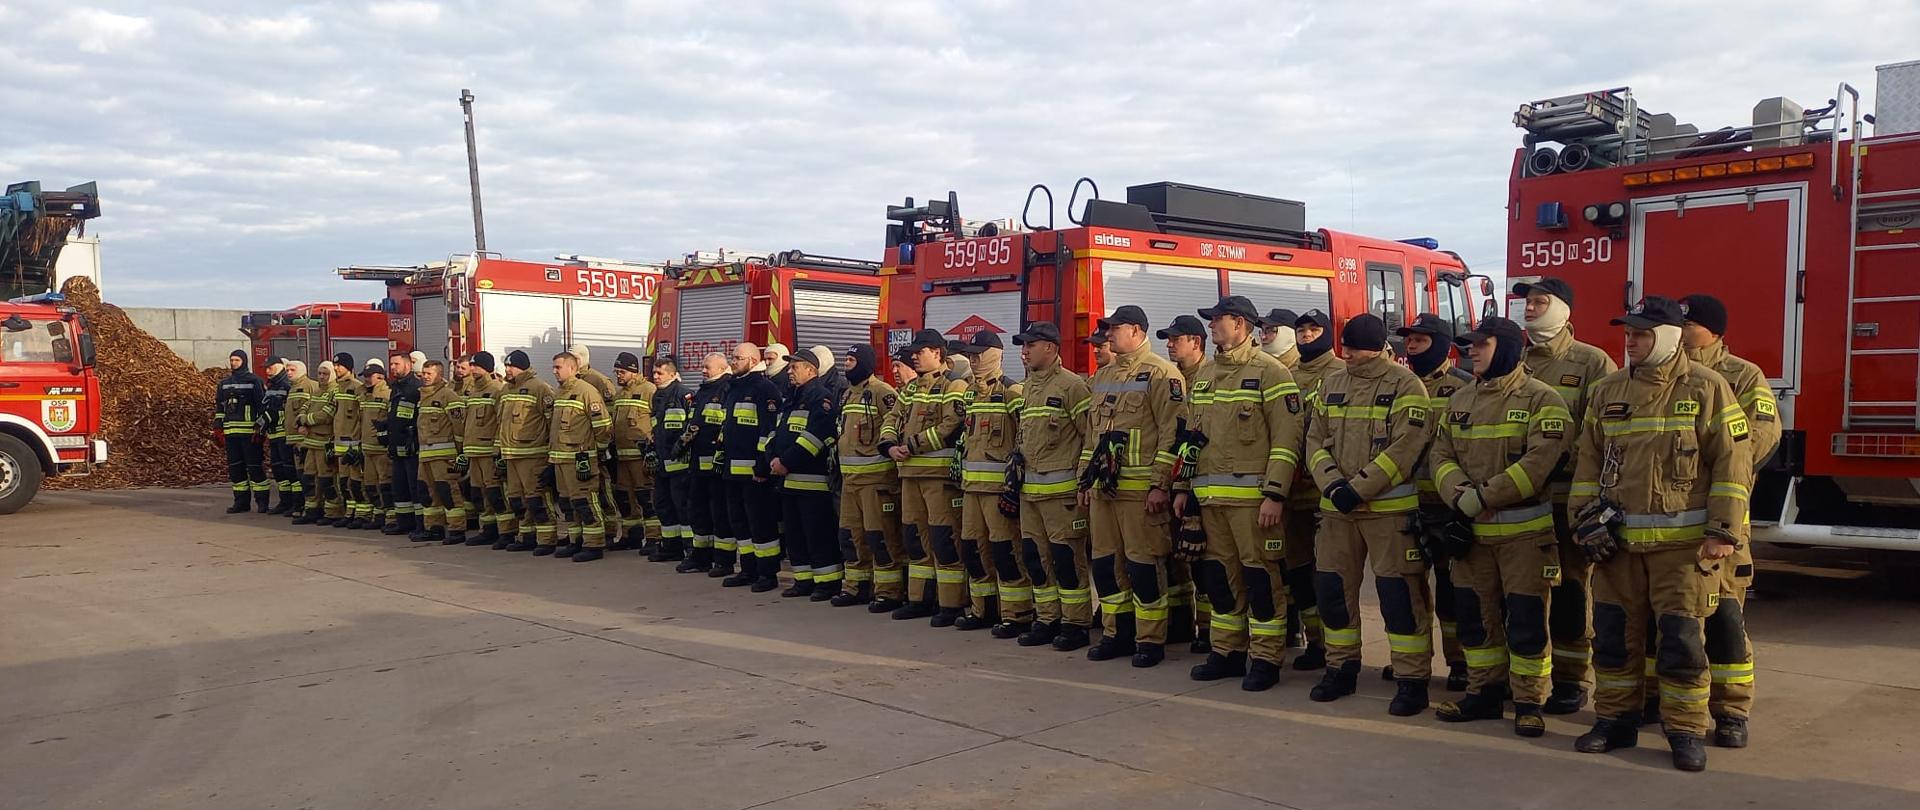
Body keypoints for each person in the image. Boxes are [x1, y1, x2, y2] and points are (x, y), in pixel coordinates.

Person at [1569, 296, 1752, 772]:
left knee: (1681, 643)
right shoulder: (1607, 391)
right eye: (1628, 333)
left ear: (1668, 337)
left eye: (1642, 334)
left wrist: (1722, 532)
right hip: (1617, 549)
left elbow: (1733, 464)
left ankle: (1685, 730)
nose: (1630, 341)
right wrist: (1582, 522)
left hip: (1683, 551)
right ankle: (1613, 721)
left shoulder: (1708, 387)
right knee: (1611, 638)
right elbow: (1587, 464)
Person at [1426, 316, 1572, 737]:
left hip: (1524, 538)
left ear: (1506, 348)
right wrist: (1460, 496)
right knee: (1475, 620)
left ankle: (1529, 701)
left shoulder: (1544, 401)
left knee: (1527, 622)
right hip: (1474, 538)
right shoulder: (1460, 399)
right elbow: (1440, 455)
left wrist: (1481, 498)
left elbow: (1539, 465)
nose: (1470, 351)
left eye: (1480, 344)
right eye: (1469, 345)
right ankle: (1484, 694)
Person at [1304, 313, 1436, 715]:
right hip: (1337, 512)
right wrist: (1333, 485)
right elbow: (1315, 438)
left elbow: (1406, 448)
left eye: (1356, 348)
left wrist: (1357, 488)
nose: (1348, 355)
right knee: (1332, 592)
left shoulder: (1406, 385)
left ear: (1377, 348)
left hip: (1388, 513)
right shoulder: (1334, 382)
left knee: (1399, 595)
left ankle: (1412, 679)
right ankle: (1341, 667)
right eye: (1345, 347)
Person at [1179, 297, 1303, 690]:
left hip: (1253, 503)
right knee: (1218, 579)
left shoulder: (1272, 373)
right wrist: (1183, 486)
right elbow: (1191, 439)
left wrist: (1275, 494)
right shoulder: (1206, 374)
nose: (1212, 326)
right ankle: (1227, 652)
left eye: (1219, 319)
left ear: (1242, 324)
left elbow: (1288, 440)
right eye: (1212, 319)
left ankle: (1266, 658)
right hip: (1210, 501)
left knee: (1261, 579)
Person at [1679, 294, 1780, 750]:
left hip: (1724, 521)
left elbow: (1758, 438)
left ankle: (1731, 711)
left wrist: (1704, 475)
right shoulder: (1666, 375)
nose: (1682, 333)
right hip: (1669, 521)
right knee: (1671, 620)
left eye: (1691, 325)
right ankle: (1660, 702)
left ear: (1714, 331)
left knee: (1724, 617)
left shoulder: (1743, 375)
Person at [1516, 278, 1620, 714]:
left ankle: (1571, 681)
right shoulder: (1514, 360)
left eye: (1541, 302)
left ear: (1563, 310)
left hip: (1565, 501)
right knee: (1522, 595)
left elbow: (1601, 435)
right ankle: (1522, 681)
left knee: (1570, 595)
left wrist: (1553, 467)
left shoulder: (1594, 363)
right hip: (1519, 502)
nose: (1530, 308)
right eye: (1527, 302)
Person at [1081, 305, 1185, 668]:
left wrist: (1160, 485)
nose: (1108, 334)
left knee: (1143, 567)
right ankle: (1116, 634)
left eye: (1115, 328)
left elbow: (1173, 435)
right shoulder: (1103, 375)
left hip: (1140, 493)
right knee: (1107, 566)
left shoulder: (1162, 374)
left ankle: (1150, 640)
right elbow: (1092, 435)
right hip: (1103, 492)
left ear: (1137, 331)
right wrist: (1085, 478)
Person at [1399, 313, 1475, 691]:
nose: (1411, 347)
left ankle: (1459, 663)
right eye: (1409, 341)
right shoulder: (1398, 385)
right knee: (1409, 589)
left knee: (1452, 592)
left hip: (1447, 506)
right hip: (1404, 502)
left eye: (1421, 341)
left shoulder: (1464, 387)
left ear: (1443, 345)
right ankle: (1413, 665)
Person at [1011, 322, 1095, 651]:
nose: (1025, 350)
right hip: (1030, 493)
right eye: (1023, 345)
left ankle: (1075, 623)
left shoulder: (1072, 386)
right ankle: (1047, 619)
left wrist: (1084, 480)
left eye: (1030, 344)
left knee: (1066, 561)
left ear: (1050, 347)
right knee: (1035, 558)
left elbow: (1089, 435)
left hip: (1061, 496)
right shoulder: (1029, 386)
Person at [880, 329, 970, 624]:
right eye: (914, 352)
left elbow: (950, 425)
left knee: (944, 540)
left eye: (921, 351)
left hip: (938, 478)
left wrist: (912, 445)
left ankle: (951, 604)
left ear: (938, 354)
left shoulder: (953, 385)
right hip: (909, 475)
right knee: (915, 539)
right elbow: (892, 418)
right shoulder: (910, 389)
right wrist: (890, 445)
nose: (914, 356)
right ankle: (920, 600)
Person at [953, 332, 1025, 632]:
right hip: (971, 491)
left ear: (995, 355)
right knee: (972, 551)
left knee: (1005, 553)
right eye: (970, 354)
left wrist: (1014, 487)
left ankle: (1017, 614)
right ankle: (983, 610)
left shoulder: (1013, 392)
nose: (973, 358)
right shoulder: (970, 393)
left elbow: (1024, 440)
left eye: (979, 354)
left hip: (998, 492)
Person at [1286, 309, 1342, 670]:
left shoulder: (1341, 374)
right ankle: (1316, 643)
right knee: (1298, 571)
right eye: (1301, 330)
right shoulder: (1287, 376)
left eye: (1314, 329)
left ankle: (1337, 650)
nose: (1306, 335)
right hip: (1292, 494)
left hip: (1326, 492)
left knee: (1329, 573)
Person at [835, 344, 905, 610]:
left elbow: (894, 428)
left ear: (865, 363)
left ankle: (888, 592)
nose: (846, 365)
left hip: (876, 482)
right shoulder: (847, 395)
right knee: (851, 537)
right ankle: (856, 588)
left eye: (851, 360)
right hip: (850, 481)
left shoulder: (882, 393)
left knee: (881, 538)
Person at [768, 347, 841, 599]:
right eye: (789, 367)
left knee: (817, 535)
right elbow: (776, 433)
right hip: (788, 482)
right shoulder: (791, 398)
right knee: (795, 536)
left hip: (812, 483)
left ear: (811, 370)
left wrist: (785, 462)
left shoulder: (821, 398)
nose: (789, 371)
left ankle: (827, 583)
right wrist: (772, 458)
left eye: (794, 367)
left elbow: (814, 438)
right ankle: (803, 581)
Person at [1162, 314, 1212, 652]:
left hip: (1211, 485)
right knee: (1184, 559)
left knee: (1210, 564)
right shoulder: (1175, 380)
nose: (1168, 344)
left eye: (1175, 339)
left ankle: (1210, 632)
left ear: (1195, 342)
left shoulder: (1209, 378)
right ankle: (1190, 626)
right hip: (1182, 483)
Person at [720, 343, 784, 590]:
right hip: (732, 470)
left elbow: (768, 432)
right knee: (740, 523)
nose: (732, 361)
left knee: (761, 523)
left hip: (755, 473)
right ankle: (748, 569)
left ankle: (767, 574)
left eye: (737, 358)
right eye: (732, 357)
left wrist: (761, 466)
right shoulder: (734, 387)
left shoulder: (764, 389)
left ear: (752, 360)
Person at [548, 351, 614, 561]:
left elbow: (603, 427)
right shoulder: (560, 393)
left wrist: (598, 452)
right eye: (554, 367)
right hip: (561, 459)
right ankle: (575, 541)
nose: (554, 371)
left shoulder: (587, 392)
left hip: (579, 460)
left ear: (572, 368)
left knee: (585, 502)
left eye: (558, 367)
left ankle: (594, 545)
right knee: (568, 504)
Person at [498, 350, 558, 552]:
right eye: (506, 366)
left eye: (511, 366)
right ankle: (526, 536)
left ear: (521, 367)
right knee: (516, 499)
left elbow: (552, 421)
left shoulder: (539, 388)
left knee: (536, 499)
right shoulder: (506, 390)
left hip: (533, 455)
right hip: (511, 454)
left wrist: (551, 452)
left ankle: (547, 539)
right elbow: (501, 422)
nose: (507, 370)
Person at [686, 354, 736, 576]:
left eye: (707, 367)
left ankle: (723, 561)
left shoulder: (726, 388)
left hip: (715, 465)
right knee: (698, 511)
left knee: (720, 514)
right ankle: (700, 556)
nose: (703, 371)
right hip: (698, 463)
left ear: (722, 368)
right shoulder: (704, 390)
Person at [412, 360, 468, 544]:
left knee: (448, 493)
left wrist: (460, 453)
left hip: (444, 457)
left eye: (429, 373)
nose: (425, 376)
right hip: (425, 456)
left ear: (439, 374)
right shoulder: (423, 397)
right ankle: (434, 528)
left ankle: (456, 529)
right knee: (426, 493)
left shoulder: (448, 396)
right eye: (424, 373)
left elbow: (459, 427)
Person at [609, 352, 659, 552]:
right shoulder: (620, 394)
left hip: (640, 458)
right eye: (616, 372)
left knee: (645, 497)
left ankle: (654, 538)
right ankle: (632, 535)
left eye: (621, 372)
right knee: (624, 498)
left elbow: (656, 421)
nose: (618, 376)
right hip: (622, 457)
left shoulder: (649, 390)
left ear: (633, 370)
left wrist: (652, 449)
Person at [461, 352, 511, 547]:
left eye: (476, 366)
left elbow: (501, 422)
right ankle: (487, 530)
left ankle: (506, 532)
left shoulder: (498, 391)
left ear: (487, 368)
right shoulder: (473, 392)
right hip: (474, 453)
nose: (472, 370)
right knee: (479, 495)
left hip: (489, 452)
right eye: (471, 366)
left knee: (495, 495)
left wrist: (498, 451)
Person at [648, 356, 694, 563]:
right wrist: (649, 447)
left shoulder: (684, 395)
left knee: (682, 508)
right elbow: (656, 426)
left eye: (660, 373)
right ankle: (671, 547)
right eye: (654, 373)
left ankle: (691, 549)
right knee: (663, 505)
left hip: (680, 464)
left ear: (672, 374)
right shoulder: (657, 395)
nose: (655, 377)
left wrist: (680, 446)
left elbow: (692, 427)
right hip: (662, 463)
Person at [216, 349, 268, 514]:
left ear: (244, 361)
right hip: (231, 434)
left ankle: (262, 502)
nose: (233, 363)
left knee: (254, 468)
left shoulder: (255, 381)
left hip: (249, 434)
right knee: (236, 470)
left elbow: (262, 407)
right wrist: (218, 427)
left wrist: (260, 430)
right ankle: (241, 502)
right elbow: (220, 407)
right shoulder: (223, 384)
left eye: (237, 360)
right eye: (232, 360)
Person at [292, 360, 339, 525]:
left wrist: (305, 420)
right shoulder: (317, 391)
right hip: (310, 442)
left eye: (325, 373)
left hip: (324, 441)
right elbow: (305, 406)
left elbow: (326, 415)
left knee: (327, 479)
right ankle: (312, 510)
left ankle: (332, 512)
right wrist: (302, 419)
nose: (321, 377)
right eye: (319, 373)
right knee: (309, 478)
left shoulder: (335, 391)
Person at [382, 353, 421, 536]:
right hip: (396, 445)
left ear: (407, 365)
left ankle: (420, 525)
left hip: (411, 447)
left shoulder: (416, 387)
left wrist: (413, 438)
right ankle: (404, 522)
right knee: (399, 487)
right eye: (391, 364)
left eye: (396, 364)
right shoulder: (395, 387)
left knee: (415, 488)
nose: (392, 367)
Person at [325, 354, 365, 526]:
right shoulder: (336, 389)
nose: (336, 368)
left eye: (340, 365)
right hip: (339, 444)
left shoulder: (358, 388)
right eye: (335, 365)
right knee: (344, 482)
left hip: (353, 444)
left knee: (356, 482)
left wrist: (359, 444)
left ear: (349, 367)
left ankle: (361, 514)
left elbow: (363, 417)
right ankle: (349, 512)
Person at [353, 358, 393, 531]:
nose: (366, 379)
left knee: (385, 484)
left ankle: (390, 518)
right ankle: (378, 515)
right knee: (370, 485)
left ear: (381, 377)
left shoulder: (387, 394)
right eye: (365, 376)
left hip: (382, 450)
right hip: (367, 448)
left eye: (370, 376)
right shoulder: (363, 394)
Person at [280, 360, 319, 518]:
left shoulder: (310, 386)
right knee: (299, 474)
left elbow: (313, 408)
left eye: (292, 370)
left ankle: (311, 507)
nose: (289, 372)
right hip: (294, 440)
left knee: (308, 475)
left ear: (302, 370)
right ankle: (303, 505)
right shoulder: (293, 387)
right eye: (287, 370)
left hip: (304, 440)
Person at [260, 357, 298, 514]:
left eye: (270, 367)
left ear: (279, 366)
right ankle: (284, 501)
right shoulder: (272, 385)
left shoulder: (286, 385)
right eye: (266, 368)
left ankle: (296, 503)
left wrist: (267, 419)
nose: (267, 371)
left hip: (284, 434)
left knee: (289, 469)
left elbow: (285, 410)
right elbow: (267, 407)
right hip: (274, 434)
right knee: (278, 470)